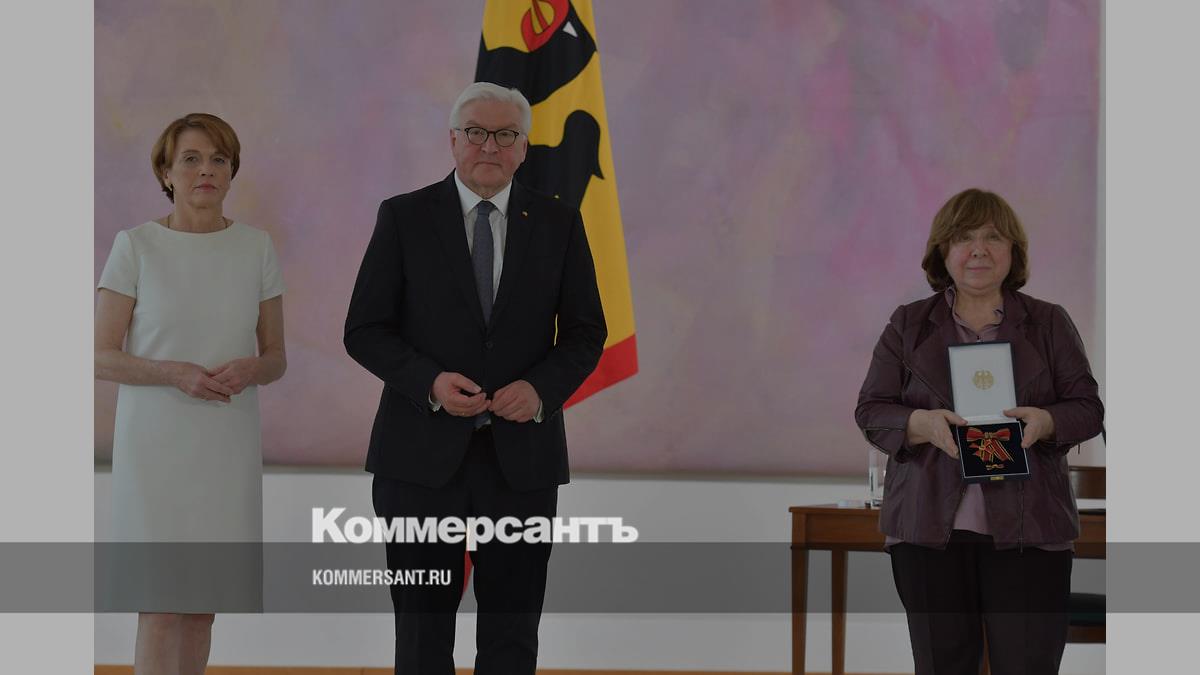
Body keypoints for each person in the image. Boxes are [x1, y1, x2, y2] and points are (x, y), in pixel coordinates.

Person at [344, 82, 606, 674]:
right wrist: (430, 383)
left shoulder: (560, 222)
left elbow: (586, 332)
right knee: (422, 634)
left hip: (522, 462)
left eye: (506, 134)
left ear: (524, 147)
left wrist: (540, 390)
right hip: (418, 459)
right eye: (477, 133)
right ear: (453, 141)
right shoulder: (404, 217)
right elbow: (364, 329)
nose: (490, 146)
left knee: (512, 634)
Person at [855, 188, 1103, 675]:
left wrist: (1047, 421)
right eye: (964, 238)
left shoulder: (1050, 323)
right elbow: (871, 410)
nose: (979, 250)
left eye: (993, 237)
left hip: (1032, 532)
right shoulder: (907, 324)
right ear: (942, 251)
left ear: (1013, 251)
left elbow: (1088, 409)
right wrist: (920, 424)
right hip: (927, 531)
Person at [95, 113, 286, 675]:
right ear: (166, 172)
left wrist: (253, 369)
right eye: (191, 159)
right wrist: (172, 373)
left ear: (232, 171)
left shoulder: (256, 247)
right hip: (154, 451)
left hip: (224, 446)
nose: (206, 170)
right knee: (158, 604)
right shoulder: (135, 246)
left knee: (203, 606)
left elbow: (276, 358)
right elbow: (100, 356)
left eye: (219, 159)